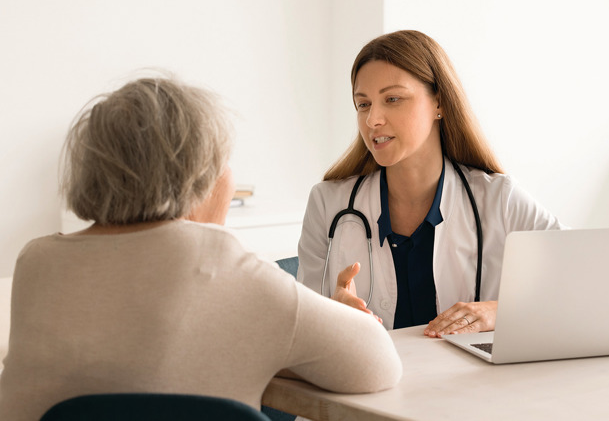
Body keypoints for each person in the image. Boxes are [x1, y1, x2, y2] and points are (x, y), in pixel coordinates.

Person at [0, 76, 401, 421]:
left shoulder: (37, 262)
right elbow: (378, 366)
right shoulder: (228, 267)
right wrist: (336, 318)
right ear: (196, 174)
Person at [297, 30, 565, 337]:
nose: (372, 120)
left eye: (392, 99)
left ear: (439, 102)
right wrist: (331, 317)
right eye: (364, 104)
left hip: (475, 384)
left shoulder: (499, 199)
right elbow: (302, 332)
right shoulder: (327, 204)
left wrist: (499, 311)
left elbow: (585, 281)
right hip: (372, 381)